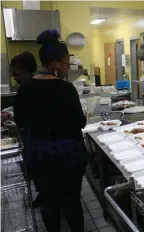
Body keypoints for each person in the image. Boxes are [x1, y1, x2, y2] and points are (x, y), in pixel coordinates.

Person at [14, 29, 87, 232]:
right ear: (55, 63)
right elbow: (78, 123)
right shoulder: (66, 89)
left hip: (39, 154)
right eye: (65, 63)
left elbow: (21, 120)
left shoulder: (26, 88)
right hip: (68, 154)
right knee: (72, 202)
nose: (67, 67)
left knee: (49, 202)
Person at [10, 52, 42, 208]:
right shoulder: (38, 85)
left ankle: (44, 197)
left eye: (16, 74)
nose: (14, 78)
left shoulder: (27, 89)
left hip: (34, 138)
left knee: (37, 170)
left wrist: (14, 124)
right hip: (36, 138)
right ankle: (44, 195)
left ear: (27, 70)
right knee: (38, 172)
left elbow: (24, 119)